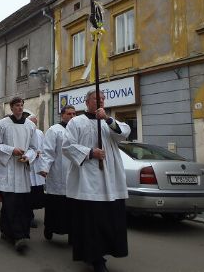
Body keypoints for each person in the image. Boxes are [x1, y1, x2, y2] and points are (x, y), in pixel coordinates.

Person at [63, 90, 130, 272]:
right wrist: (91, 152)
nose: (99, 101)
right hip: (87, 179)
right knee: (91, 220)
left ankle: (103, 252)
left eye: (102, 99)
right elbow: (67, 147)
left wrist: (107, 119)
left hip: (109, 178)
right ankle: (94, 257)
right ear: (87, 102)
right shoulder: (76, 122)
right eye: (95, 98)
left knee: (107, 219)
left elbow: (123, 134)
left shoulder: (109, 121)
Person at [0, 97, 37, 253]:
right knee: (10, 205)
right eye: (17, 106)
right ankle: (18, 237)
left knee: (22, 205)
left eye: (21, 105)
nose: (20, 108)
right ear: (11, 108)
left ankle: (10, 232)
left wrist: (28, 157)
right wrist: (11, 150)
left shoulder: (30, 125)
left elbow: (34, 148)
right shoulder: (2, 124)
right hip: (8, 171)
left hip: (23, 169)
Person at [38, 105, 76, 241]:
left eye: (74, 114)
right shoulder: (54, 130)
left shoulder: (77, 130)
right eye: (69, 114)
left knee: (72, 207)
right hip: (58, 172)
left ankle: (73, 233)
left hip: (74, 173)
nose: (72, 117)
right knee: (56, 205)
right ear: (62, 115)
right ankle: (50, 228)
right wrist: (45, 168)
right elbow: (48, 151)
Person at [27, 116, 45, 229]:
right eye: (32, 122)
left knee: (35, 193)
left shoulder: (40, 133)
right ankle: (29, 216)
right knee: (28, 193)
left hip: (37, 166)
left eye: (35, 123)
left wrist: (40, 154)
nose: (34, 124)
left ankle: (31, 213)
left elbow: (44, 147)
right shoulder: (25, 132)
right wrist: (32, 154)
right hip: (28, 166)